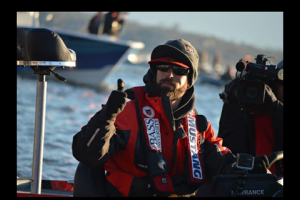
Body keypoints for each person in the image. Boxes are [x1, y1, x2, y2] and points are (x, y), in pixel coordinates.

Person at [72, 39, 275, 197]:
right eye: (163, 67)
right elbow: (86, 154)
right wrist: (106, 116)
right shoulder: (125, 113)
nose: (169, 74)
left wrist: (252, 169)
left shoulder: (199, 127)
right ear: (154, 71)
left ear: (189, 81)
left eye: (179, 70)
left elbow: (222, 164)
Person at [218, 59, 283, 177]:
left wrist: (276, 108)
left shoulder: (275, 109)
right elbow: (229, 150)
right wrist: (231, 104)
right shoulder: (258, 113)